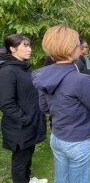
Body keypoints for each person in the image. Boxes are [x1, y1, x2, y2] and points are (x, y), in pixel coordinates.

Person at [31, 25, 90, 183]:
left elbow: (44, 107)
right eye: (78, 43)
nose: (81, 46)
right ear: (70, 48)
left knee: (62, 179)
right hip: (79, 142)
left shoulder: (41, 75)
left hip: (57, 138)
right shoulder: (80, 80)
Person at [0, 34, 47, 183]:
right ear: (13, 49)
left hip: (30, 122)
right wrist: (25, 118)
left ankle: (27, 179)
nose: (30, 49)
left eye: (29, 45)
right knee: (20, 160)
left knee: (28, 155)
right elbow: (6, 103)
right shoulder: (7, 71)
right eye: (25, 46)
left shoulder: (24, 67)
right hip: (20, 125)